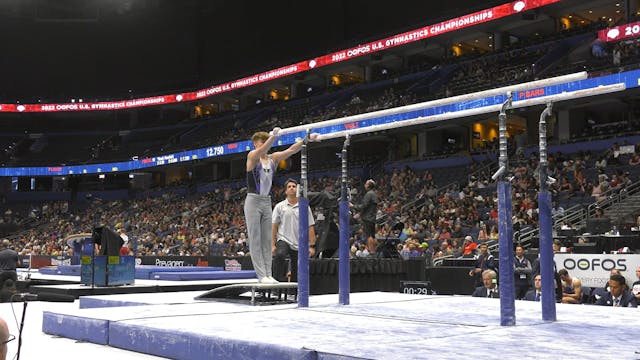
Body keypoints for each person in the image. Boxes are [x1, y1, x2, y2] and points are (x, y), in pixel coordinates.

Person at [244, 127, 319, 284]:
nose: (263, 145)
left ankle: (268, 274)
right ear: (255, 144)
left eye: (265, 141)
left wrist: (307, 139)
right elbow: (263, 149)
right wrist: (273, 138)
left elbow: (292, 149)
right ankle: (261, 275)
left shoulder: (273, 159)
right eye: (261, 142)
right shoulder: (252, 157)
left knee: (265, 240)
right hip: (252, 200)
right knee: (256, 239)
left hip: (266, 201)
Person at [271, 178, 317, 283]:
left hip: (299, 242)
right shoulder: (279, 206)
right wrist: (273, 245)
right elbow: (274, 226)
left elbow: (310, 226)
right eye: (289, 187)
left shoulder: (305, 207)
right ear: (286, 191)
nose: (292, 188)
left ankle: (294, 291)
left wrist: (312, 245)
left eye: (294, 186)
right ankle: (275, 283)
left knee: (297, 268)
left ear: (297, 190)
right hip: (284, 239)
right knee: (280, 254)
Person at [352, 179, 379, 254]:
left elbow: (363, 205)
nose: (364, 185)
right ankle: (374, 251)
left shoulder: (369, 194)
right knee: (372, 235)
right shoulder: (373, 194)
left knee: (369, 235)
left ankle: (372, 252)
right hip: (372, 217)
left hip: (368, 218)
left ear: (368, 185)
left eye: (366, 184)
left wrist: (353, 206)